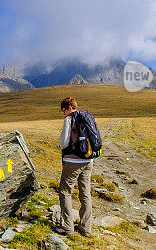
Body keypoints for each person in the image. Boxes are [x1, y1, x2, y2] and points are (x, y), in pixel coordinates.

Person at [54, 97, 93, 236]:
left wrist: (59, 146)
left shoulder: (70, 119)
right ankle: (86, 228)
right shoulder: (87, 117)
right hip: (88, 160)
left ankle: (67, 227)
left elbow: (65, 141)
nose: (63, 113)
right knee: (85, 193)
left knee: (65, 192)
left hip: (73, 161)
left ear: (69, 107)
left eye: (63, 110)